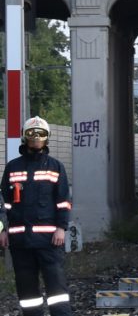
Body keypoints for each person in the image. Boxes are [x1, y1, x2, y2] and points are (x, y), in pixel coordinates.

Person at [0, 116, 72, 315]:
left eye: (41, 134)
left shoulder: (55, 167)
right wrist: (2, 230)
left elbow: (63, 201)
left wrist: (61, 228)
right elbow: (2, 203)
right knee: (28, 295)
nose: (36, 138)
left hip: (49, 241)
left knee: (57, 292)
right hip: (20, 242)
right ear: (25, 137)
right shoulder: (12, 167)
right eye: (32, 134)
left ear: (47, 138)